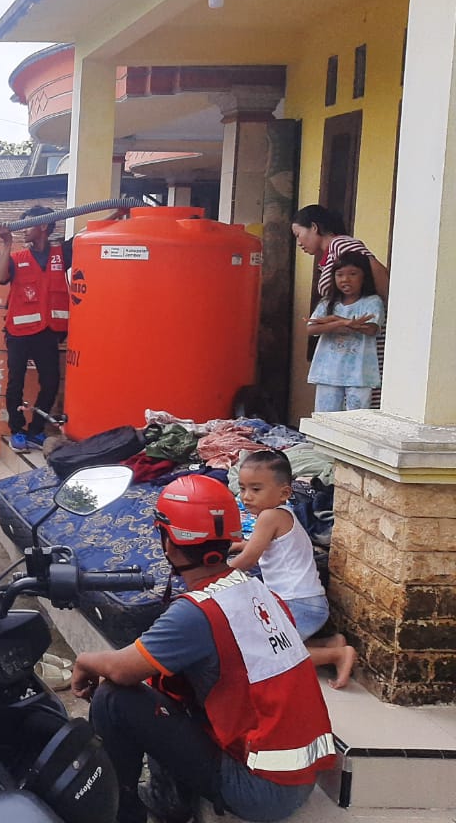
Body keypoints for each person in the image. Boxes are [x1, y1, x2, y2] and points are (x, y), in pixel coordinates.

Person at [71, 474, 337, 823]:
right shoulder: (255, 589)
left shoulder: (196, 613)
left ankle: (123, 814)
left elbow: (123, 669)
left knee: (115, 698)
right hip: (295, 777)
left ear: (169, 543)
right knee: (163, 683)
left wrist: (85, 660)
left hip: (259, 790)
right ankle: (169, 800)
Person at [228, 450, 358, 689]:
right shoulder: (281, 514)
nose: (246, 497)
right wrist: (237, 545)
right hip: (305, 601)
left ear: (284, 493)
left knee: (270, 652)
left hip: (299, 604)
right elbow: (259, 546)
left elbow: (249, 559)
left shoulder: (269, 517)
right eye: (243, 488)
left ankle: (337, 655)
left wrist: (218, 576)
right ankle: (330, 643)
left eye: (256, 489)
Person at [0, 206, 70, 450]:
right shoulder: (17, 258)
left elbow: (88, 236)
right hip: (18, 333)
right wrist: (7, 244)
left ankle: (36, 430)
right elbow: (0, 277)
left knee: (50, 381)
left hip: (47, 332)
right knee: (15, 382)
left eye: (28, 225)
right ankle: (17, 430)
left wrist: (117, 215)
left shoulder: (61, 254)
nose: (24, 229)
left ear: (44, 227)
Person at [305, 251, 383, 412]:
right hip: (328, 373)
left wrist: (335, 321)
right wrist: (341, 322)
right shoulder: (327, 303)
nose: (345, 279)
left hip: (359, 374)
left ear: (364, 277)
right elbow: (311, 328)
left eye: (353, 274)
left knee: (356, 421)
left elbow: (371, 329)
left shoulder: (372, 302)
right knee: (325, 420)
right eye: (339, 275)